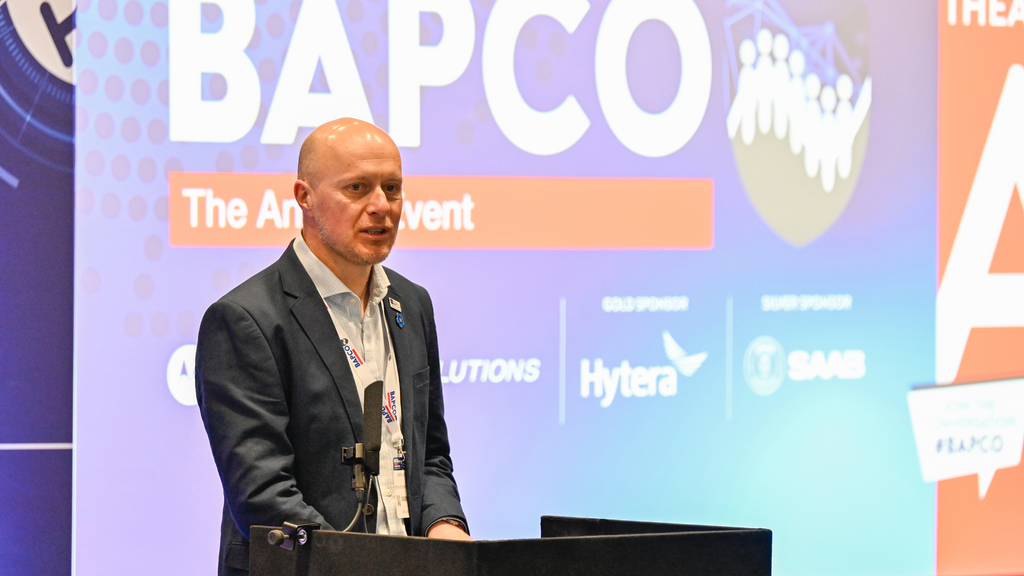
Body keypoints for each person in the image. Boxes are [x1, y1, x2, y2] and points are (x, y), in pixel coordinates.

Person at [195, 118, 471, 576]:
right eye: (357, 188)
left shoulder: (412, 303)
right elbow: (263, 498)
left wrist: (446, 527)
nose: (381, 206)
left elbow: (429, 456)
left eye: (392, 188)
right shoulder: (246, 320)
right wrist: (369, 567)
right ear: (304, 197)